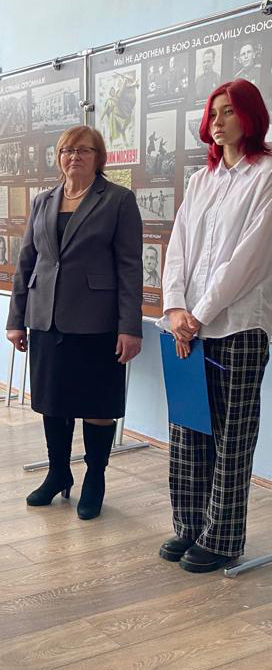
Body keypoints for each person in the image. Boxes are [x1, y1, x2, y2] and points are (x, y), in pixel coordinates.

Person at [158, 79, 272, 573]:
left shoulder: (266, 175)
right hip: (189, 326)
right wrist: (175, 309)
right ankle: (189, 526)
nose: (218, 121)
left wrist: (199, 313)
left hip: (238, 325)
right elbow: (178, 247)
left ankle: (222, 538)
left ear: (251, 116)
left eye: (229, 111)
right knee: (188, 428)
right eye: (214, 112)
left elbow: (250, 258)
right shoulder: (201, 180)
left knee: (231, 437)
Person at [6, 125, 142, 520]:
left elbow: (130, 268)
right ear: (59, 157)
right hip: (45, 317)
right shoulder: (44, 200)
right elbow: (26, 261)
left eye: (83, 150)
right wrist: (16, 319)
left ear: (99, 158)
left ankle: (95, 477)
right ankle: (57, 473)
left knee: (97, 402)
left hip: (97, 320)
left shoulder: (118, 200)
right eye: (67, 150)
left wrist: (129, 326)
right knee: (53, 401)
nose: (74, 157)